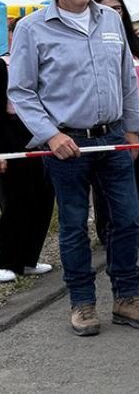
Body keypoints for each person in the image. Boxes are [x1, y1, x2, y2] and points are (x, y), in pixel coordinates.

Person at [8, 0, 139, 336]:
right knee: (74, 225)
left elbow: (129, 77)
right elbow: (22, 91)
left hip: (112, 137)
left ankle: (127, 298)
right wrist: (50, 135)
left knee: (127, 220)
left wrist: (132, 129)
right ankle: (82, 303)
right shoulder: (31, 29)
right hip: (66, 145)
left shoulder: (110, 21)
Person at [91, 0, 139, 253]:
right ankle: (108, 230)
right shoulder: (96, 41)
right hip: (110, 121)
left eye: (117, 8)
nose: (113, 12)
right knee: (106, 181)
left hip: (138, 118)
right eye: (106, 8)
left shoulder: (132, 41)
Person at [0, 18, 55, 284]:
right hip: (11, 134)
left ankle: (28, 258)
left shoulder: (44, 64)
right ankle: (7, 259)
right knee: (16, 198)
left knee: (43, 195)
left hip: (41, 132)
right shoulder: (3, 64)